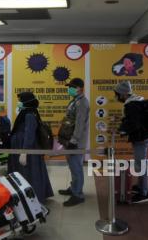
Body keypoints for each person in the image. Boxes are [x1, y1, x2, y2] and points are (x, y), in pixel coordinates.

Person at [8, 92, 54, 202]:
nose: (18, 102)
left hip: (27, 148)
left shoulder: (28, 115)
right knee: (32, 172)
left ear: (26, 102)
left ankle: (33, 197)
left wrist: (24, 152)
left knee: (29, 173)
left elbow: (29, 134)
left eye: (20, 100)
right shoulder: (28, 112)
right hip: (25, 146)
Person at [115, 81, 148, 204]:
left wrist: (123, 129)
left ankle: (144, 193)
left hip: (140, 138)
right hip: (143, 136)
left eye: (117, 94)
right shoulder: (137, 100)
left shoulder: (131, 104)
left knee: (141, 165)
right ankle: (141, 186)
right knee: (141, 164)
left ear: (123, 94)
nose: (116, 97)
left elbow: (134, 123)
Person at [58, 78, 90, 207]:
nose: (69, 89)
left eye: (71, 86)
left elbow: (80, 123)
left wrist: (74, 140)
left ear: (79, 88)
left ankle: (78, 195)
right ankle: (74, 188)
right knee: (73, 166)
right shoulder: (75, 101)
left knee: (76, 168)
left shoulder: (82, 103)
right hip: (70, 140)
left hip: (76, 141)